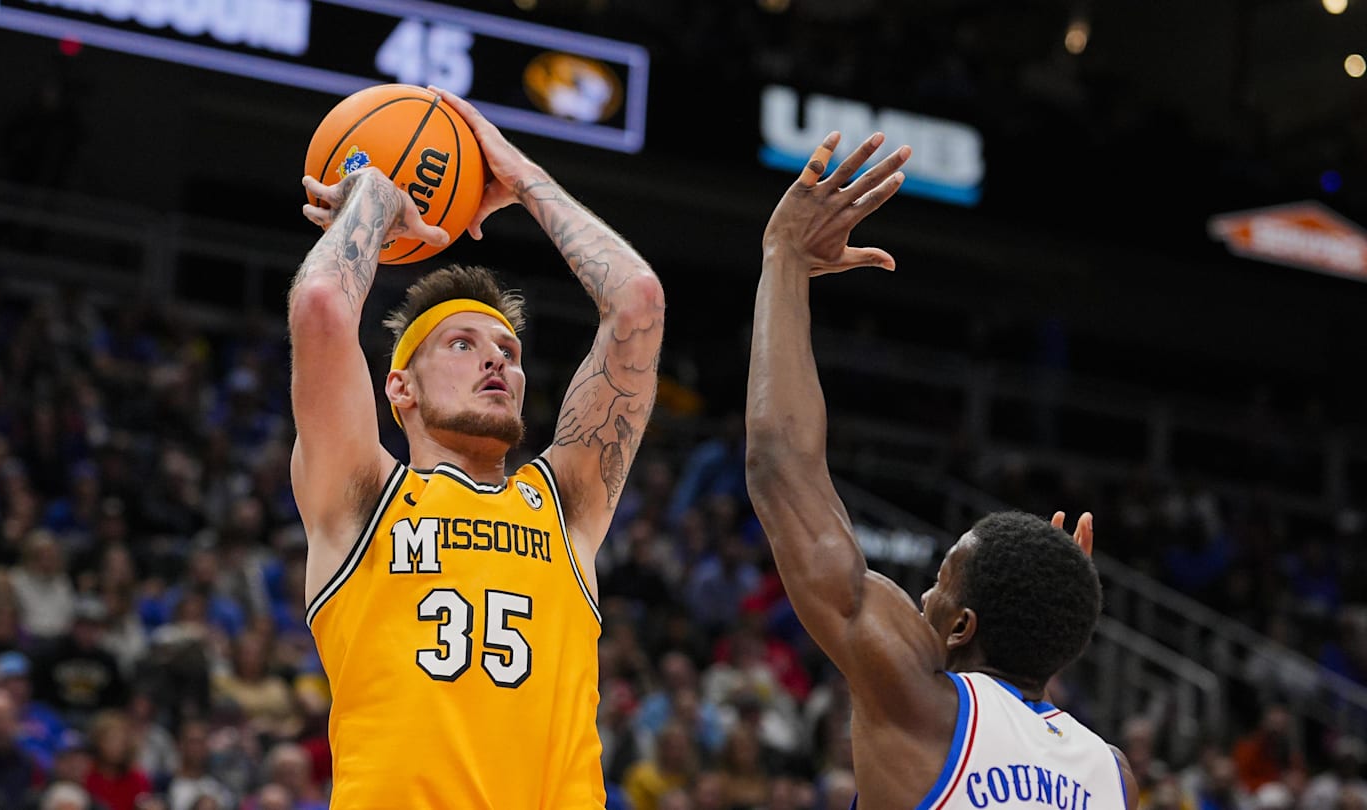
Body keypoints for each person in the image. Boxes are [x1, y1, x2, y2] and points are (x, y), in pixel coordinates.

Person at [288, 85, 665, 809]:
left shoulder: (564, 504)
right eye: (462, 344)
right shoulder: (363, 494)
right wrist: (373, 196)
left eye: (509, 351)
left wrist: (521, 179)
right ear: (399, 388)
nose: (497, 359)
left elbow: (637, 302)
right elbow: (323, 306)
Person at [742, 131, 1138, 810]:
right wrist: (1054, 606)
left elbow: (781, 465)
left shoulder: (923, 707)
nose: (923, 599)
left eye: (938, 587)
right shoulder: (1114, 776)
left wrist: (784, 257)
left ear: (960, 628)